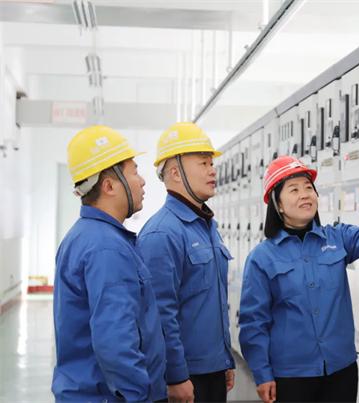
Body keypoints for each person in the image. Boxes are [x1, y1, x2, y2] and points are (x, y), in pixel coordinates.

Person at [239, 155, 359, 403]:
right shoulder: (262, 258)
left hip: (340, 369)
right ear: (278, 205)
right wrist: (262, 373)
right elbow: (253, 322)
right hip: (291, 375)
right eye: (294, 190)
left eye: (308, 188)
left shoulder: (336, 238)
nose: (305, 195)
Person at [52, 125, 167, 401]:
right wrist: (137, 396)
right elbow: (115, 342)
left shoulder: (84, 236)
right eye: (134, 172)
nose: (142, 181)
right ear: (109, 186)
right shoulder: (106, 248)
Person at [138, 122, 235, 402]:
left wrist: (224, 359)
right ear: (175, 173)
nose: (212, 170)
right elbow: (160, 314)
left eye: (211, 163)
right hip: (186, 376)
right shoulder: (162, 233)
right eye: (203, 163)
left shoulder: (206, 226)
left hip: (213, 368)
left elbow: (212, 302)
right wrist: (176, 375)